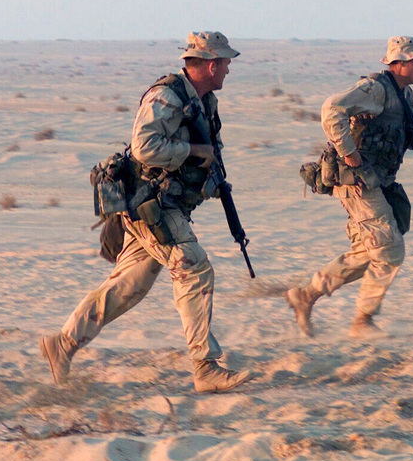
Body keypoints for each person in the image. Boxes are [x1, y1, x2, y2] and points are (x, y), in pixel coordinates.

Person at [39, 32, 253, 393]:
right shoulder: (167, 97)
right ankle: (205, 367)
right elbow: (144, 147)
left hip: (165, 205)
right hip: (150, 205)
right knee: (194, 267)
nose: (229, 70)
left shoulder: (203, 101)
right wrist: (192, 151)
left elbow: (206, 151)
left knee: (129, 286)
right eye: (226, 63)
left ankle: (63, 344)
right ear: (211, 64)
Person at [285, 36, 413, 339]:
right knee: (390, 249)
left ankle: (306, 295)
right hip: (358, 181)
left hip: (379, 180)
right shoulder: (377, 89)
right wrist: (348, 152)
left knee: (371, 249)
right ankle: (362, 321)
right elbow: (331, 109)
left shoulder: (406, 97)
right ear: (400, 63)